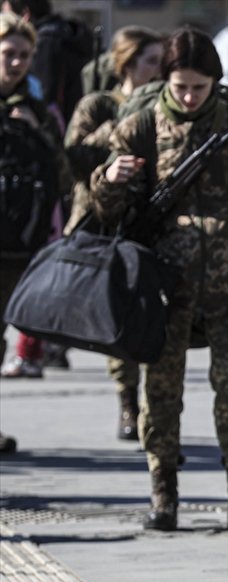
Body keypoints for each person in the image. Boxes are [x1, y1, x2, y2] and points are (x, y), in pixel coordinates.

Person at [89, 27, 228, 532]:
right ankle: (163, 492)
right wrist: (109, 181)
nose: (190, 97)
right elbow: (105, 212)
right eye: (180, 87)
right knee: (162, 391)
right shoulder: (140, 128)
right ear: (165, 81)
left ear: (216, 82)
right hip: (165, 287)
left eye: (200, 87)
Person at [62, 25, 163, 442]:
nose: (158, 70)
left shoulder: (165, 104)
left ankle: (154, 410)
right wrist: (121, 124)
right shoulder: (99, 104)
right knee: (115, 314)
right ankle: (127, 399)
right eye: (151, 61)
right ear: (127, 62)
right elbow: (75, 154)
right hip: (102, 220)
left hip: (149, 219)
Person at [0, 10, 63, 450]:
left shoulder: (37, 109)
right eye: (8, 54)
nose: (16, 63)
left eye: (23, 55)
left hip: (19, 246)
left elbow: (64, 173)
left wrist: (37, 131)